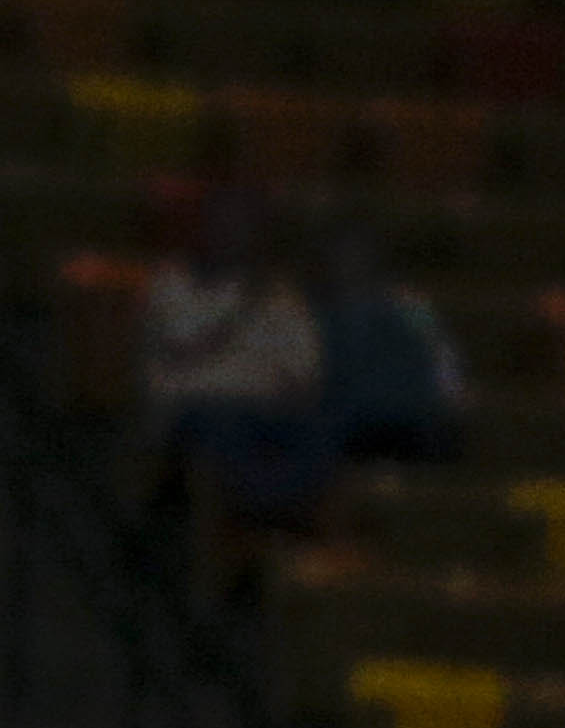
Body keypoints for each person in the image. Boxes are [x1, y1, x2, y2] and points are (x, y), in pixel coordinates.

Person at [137, 195, 331, 532]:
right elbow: (179, 351)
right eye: (223, 225)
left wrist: (289, 392)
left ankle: (275, 524)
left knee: (325, 427)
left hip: (269, 408)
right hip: (198, 407)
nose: (232, 234)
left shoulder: (280, 294)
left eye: (243, 227)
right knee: (225, 429)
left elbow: (305, 367)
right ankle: (259, 523)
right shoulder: (173, 283)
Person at [318, 227, 468, 464]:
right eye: (344, 256)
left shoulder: (410, 305)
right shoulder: (316, 313)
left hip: (406, 419)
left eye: (359, 254)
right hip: (345, 422)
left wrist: (451, 400)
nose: (352, 263)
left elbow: (441, 359)